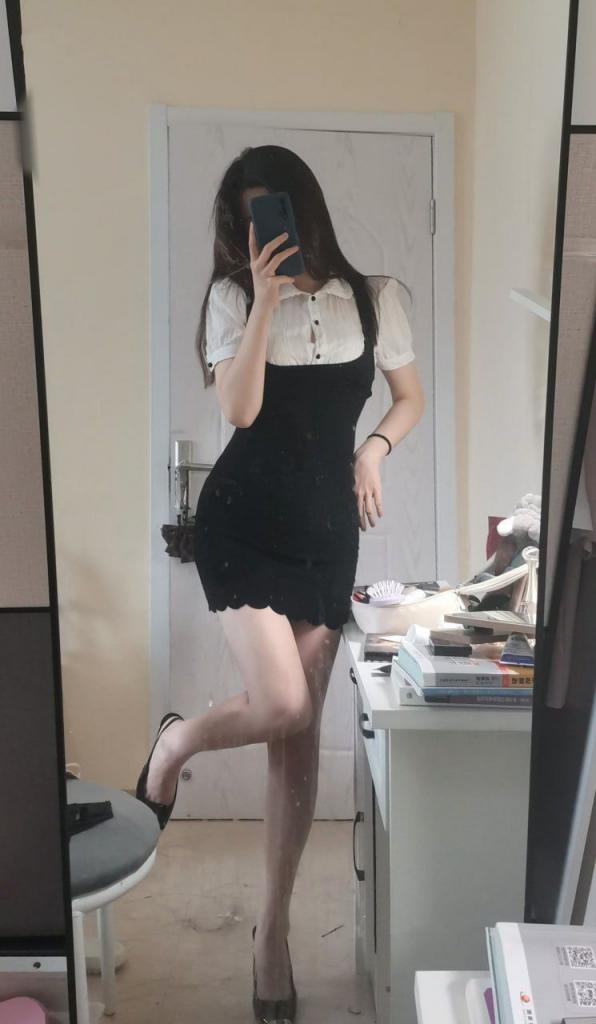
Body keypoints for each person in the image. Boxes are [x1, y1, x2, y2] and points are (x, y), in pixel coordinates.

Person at [136, 144, 424, 1023]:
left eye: (275, 211)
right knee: (283, 703)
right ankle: (176, 744)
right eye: (248, 218)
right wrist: (264, 299)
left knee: (296, 744)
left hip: (326, 539)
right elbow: (240, 410)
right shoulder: (232, 299)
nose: (263, 232)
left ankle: (273, 933)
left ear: (306, 208)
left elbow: (407, 397)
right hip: (244, 527)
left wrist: (373, 451)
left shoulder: (375, 299)